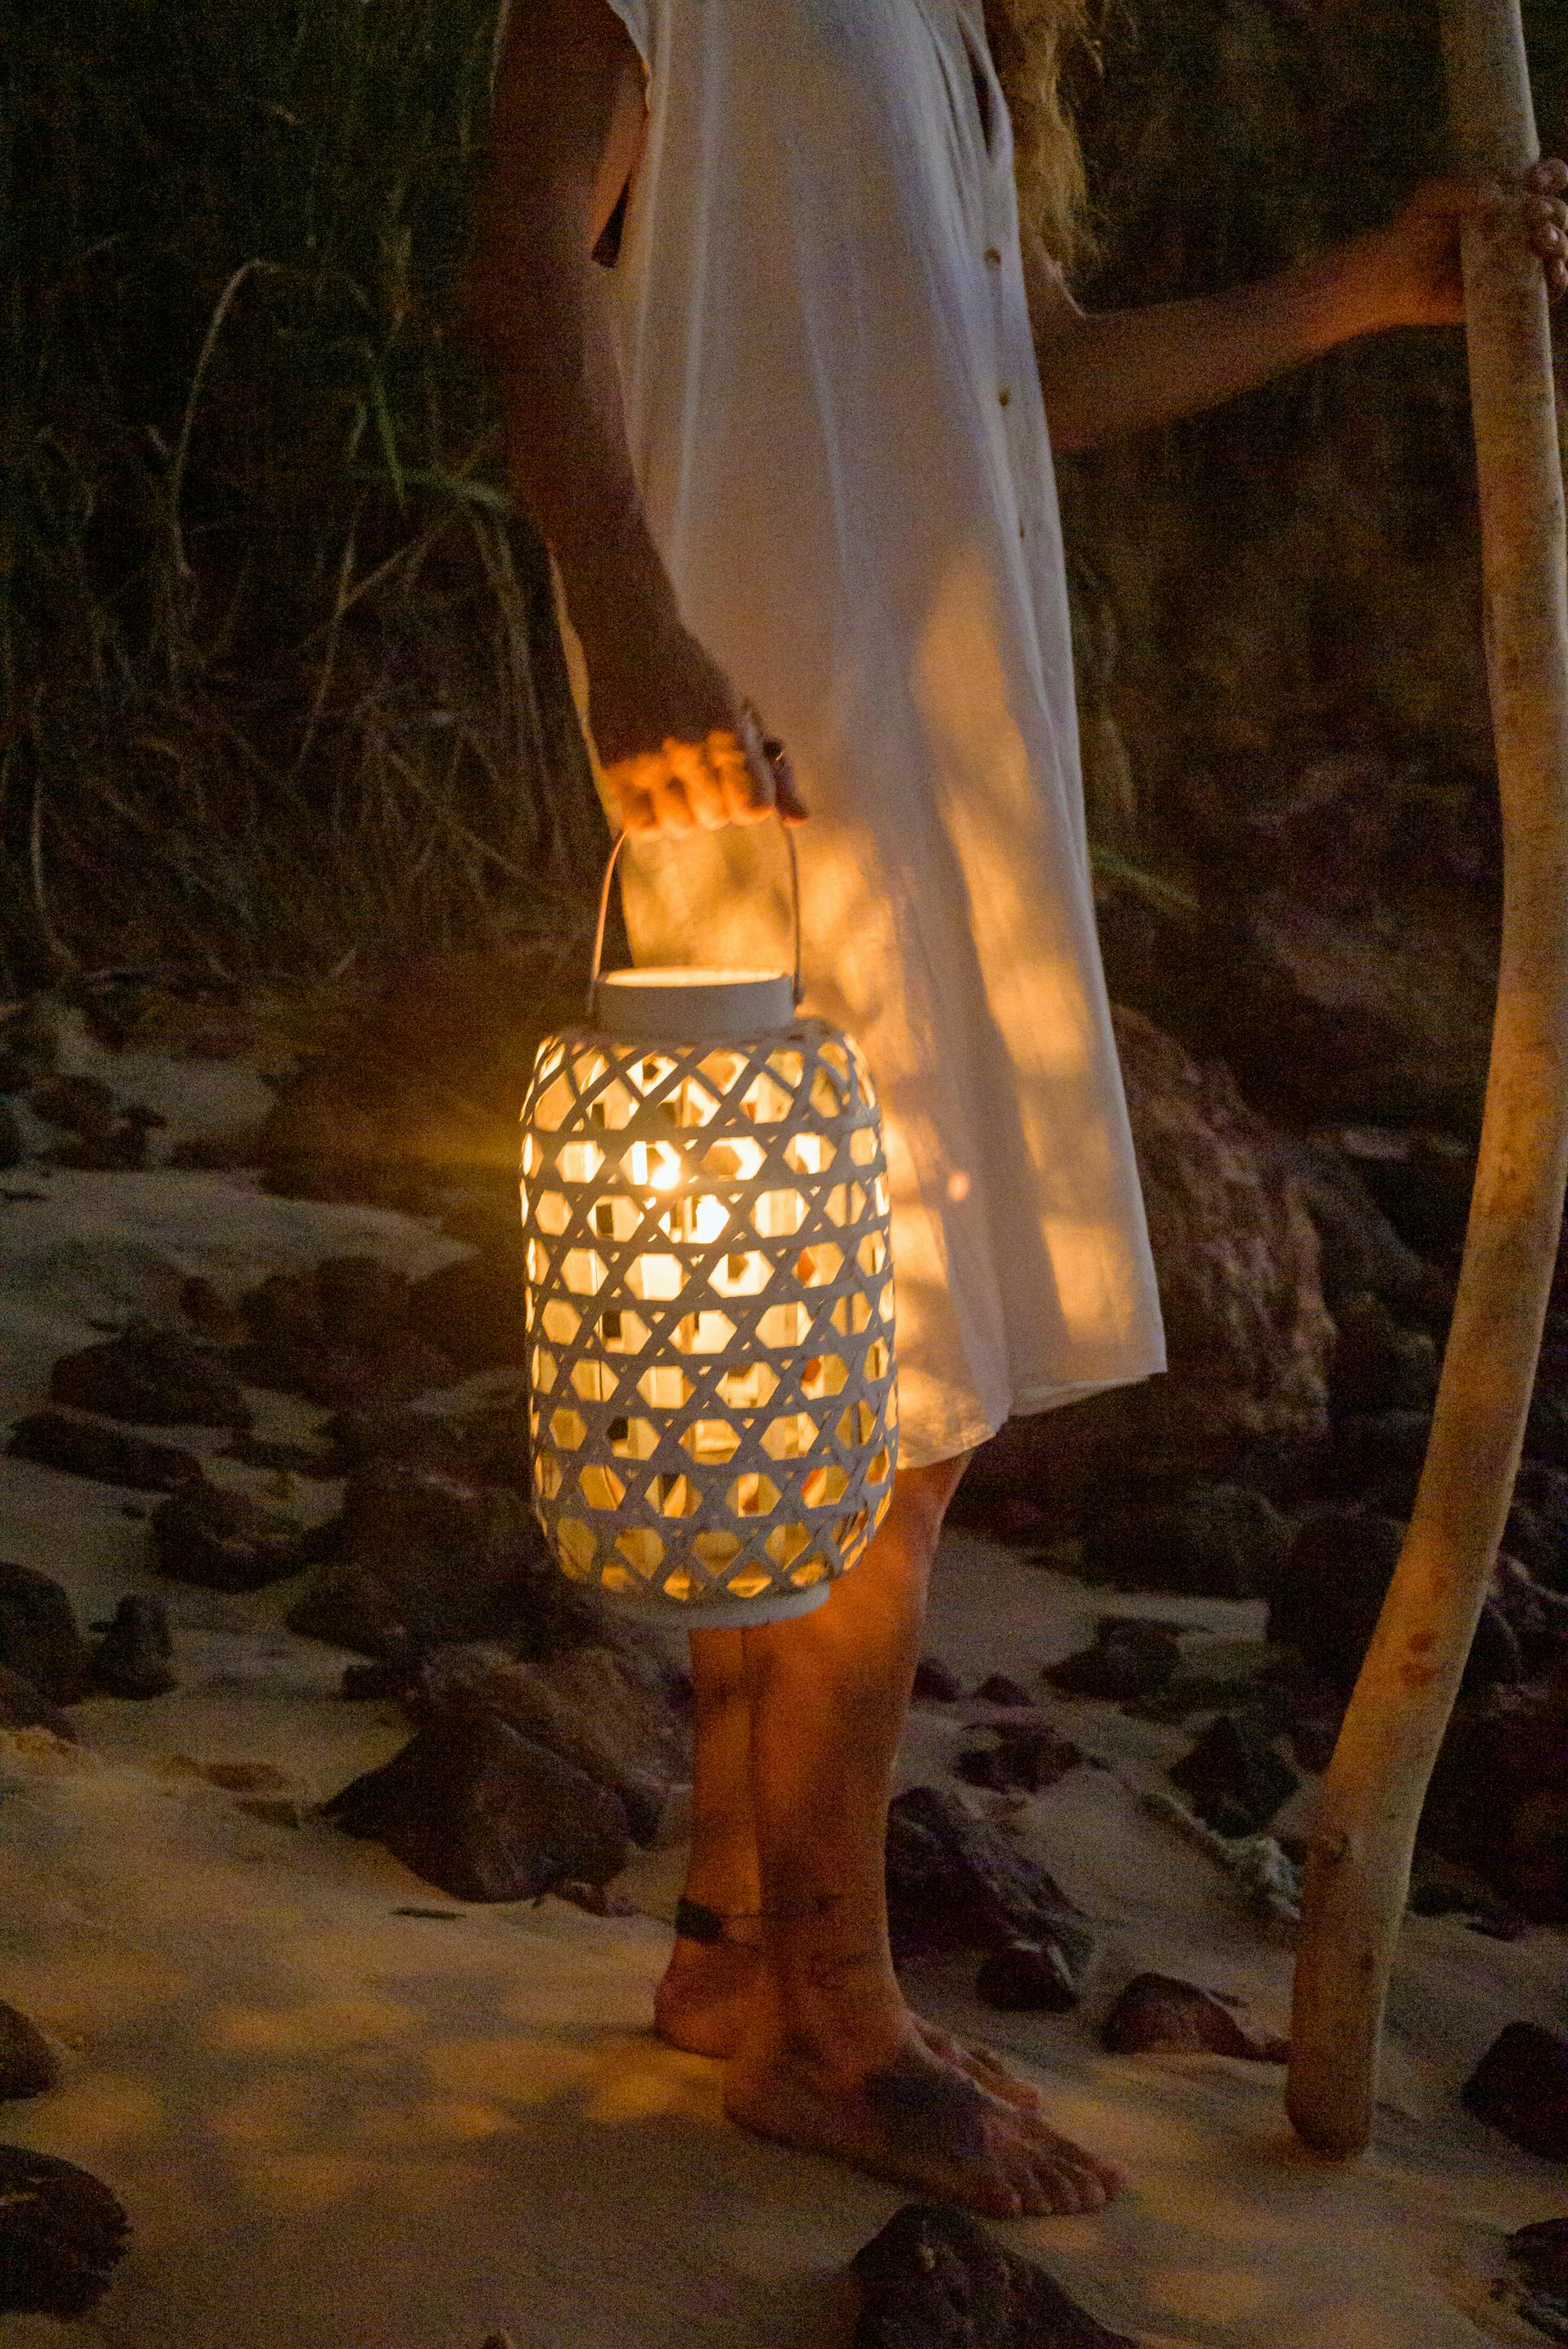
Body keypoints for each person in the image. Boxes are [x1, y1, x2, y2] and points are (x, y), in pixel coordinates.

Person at [463, 0, 1568, 2218]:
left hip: (927, 727)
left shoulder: (949, 28)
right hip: (771, 712)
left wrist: (1366, 285)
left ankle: (729, 1940)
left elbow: (1018, 374)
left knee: (820, 1355)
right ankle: (837, 2011)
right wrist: (631, 615)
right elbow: (513, 253)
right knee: (891, 1379)